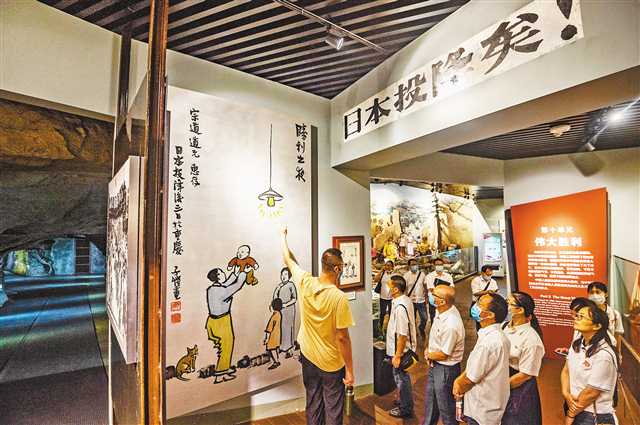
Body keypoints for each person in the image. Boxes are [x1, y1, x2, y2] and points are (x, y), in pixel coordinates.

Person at [281, 227, 355, 425]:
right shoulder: (338, 298)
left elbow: (288, 260)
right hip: (331, 362)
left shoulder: (305, 282)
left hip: (308, 356)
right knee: (333, 406)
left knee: (313, 401)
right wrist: (349, 370)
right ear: (337, 269)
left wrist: (283, 236)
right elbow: (342, 337)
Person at [453, 293, 510, 425]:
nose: (475, 306)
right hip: (490, 406)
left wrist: (458, 384)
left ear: (489, 315)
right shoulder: (497, 336)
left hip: (480, 410)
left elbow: (471, 378)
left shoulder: (488, 343)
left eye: (480, 304)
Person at [561, 300, 618, 425]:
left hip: (593, 414)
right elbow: (566, 370)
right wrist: (566, 394)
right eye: (576, 315)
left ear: (596, 326)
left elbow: (592, 392)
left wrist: (571, 414)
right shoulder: (577, 344)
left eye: (581, 317)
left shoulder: (604, 355)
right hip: (576, 406)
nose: (576, 319)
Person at [423, 285, 465, 425]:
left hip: (445, 370)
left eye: (434, 294)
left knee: (446, 409)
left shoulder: (451, 324)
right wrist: (429, 349)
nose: (430, 295)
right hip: (435, 365)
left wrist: (429, 355)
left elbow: (444, 354)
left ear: (442, 301)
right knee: (431, 403)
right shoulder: (441, 310)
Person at [501, 292, 545, 425]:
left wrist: (499, 387)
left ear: (520, 310)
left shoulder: (531, 340)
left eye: (508, 303)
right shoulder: (504, 326)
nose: (505, 305)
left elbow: (525, 375)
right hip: (504, 379)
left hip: (519, 387)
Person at [205, 268, 249, 383]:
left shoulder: (213, 288)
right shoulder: (221, 291)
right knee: (226, 346)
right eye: (222, 272)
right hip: (222, 322)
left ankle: (224, 367)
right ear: (218, 276)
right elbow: (237, 286)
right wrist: (243, 273)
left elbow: (225, 284)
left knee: (225, 346)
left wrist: (235, 272)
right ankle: (220, 374)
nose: (224, 273)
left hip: (213, 321)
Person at [386, 275, 417, 419]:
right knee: (401, 378)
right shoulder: (405, 300)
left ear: (396, 289)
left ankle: (406, 408)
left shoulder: (400, 308)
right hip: (401, 349)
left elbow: (402, 335)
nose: (388, 288)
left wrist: (398, 355)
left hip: (401, 351)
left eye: (389, 286)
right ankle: (403, 400)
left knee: (402, 379)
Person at [587, 282, 624, 352]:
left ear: (606, 294)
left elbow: (617, 335)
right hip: (590, 350)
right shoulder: (585, 314)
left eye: (598, 292)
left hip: (609, 350)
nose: (594, 295)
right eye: (591, 292)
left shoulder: (615, 314)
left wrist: (618, 353)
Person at [273, 267, 298, 357]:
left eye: (286, 274)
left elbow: (294, 298)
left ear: (289, 276)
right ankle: (282, 347)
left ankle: (289, 349)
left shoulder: (291, 285)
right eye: (282, 274)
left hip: (289, 309)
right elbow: (275, 297)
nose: (283, 276)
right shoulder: (279, 286)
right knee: (281, 328)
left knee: (289, 328)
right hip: (281, 310)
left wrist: (285, 304)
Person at [403, 258, 428, 336]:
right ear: (409, 266)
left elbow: (425, 286)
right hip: (411, 301)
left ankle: (421, 327)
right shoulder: (406, 276)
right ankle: (414, 331)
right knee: (412, 318)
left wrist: (426, 297)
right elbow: (404, 289)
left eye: (415, 264)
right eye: (412, 264)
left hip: (421, 300)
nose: (414, 266)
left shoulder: (422, 274)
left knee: (424, 318)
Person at [470, 265, 499, 330]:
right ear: (482, 273)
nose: (489, 276)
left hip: (489, 305)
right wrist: (487, 292)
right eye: (487, 274)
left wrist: (495, 293)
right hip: (479, 305)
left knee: (489, 321)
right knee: (480, 322)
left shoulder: (493, 282)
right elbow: (475, 293)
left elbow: (496, 291)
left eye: (491, 274)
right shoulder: (476, 280)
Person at [264, 298, 283, 370]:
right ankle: (277, 360)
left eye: (271, 306)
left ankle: (276, 362)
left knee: (272, 349)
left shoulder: (274, 316)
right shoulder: (279, 314)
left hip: (273, 336)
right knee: (275, 349)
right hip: (277, 335)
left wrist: (266, 339)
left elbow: (269, 329)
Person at [374, 260, 395, 326]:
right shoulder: (383, 274)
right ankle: (380, 326)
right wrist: (381, 271)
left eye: (389, 265)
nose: (387, 267)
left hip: (392, 298)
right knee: (382, 313)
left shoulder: (394, 274)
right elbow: (375, 279)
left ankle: (390, 327)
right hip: (383, 297)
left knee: (391, 313)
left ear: (392, 267)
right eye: (386, 265)